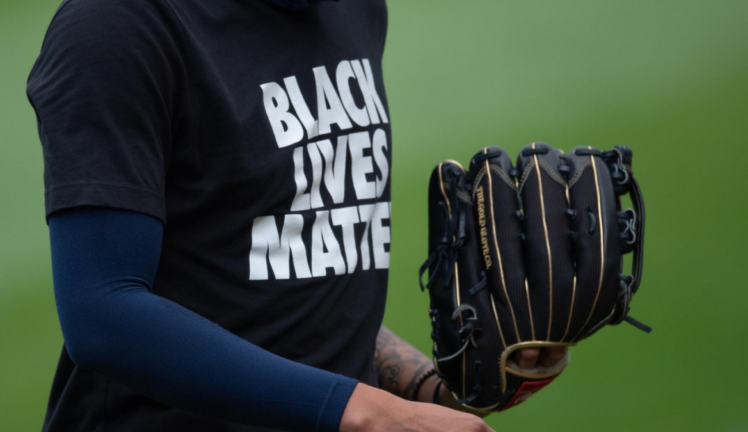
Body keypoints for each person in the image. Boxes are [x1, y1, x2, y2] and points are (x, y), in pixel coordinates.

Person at [27, 0, 566, 431]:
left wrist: (434, 387)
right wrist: (367, 410)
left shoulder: (352, 11)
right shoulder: (117, 27)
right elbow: (102, 314)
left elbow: (288, 277)